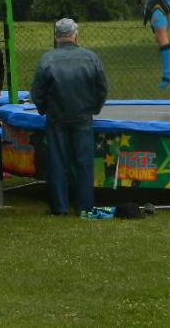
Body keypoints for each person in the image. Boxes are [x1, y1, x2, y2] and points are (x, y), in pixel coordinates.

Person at [30, 18, 108, 217]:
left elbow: (37, 92)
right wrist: (95, 108)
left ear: (56, 36)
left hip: (56, 118)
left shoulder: (47, 59)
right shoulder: (91, 58)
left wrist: (44, 109)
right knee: (84, 163)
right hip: (83, 116)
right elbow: (102, 88)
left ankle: (59, 207)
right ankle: (85, 206)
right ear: (75, 35)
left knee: (57, 163)